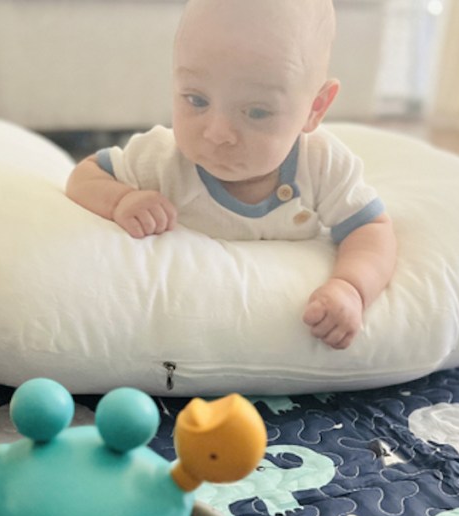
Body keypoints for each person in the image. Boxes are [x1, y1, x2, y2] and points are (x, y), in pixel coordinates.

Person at [66, 0, 396, 350]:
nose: (217, 132)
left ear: (315, 108)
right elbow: (84, 175)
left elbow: (371, 228)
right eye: (196, 100)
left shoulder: (321, 163)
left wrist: (351, 287)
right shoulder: (163, 159)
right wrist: (123, 200)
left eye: (256, 111)